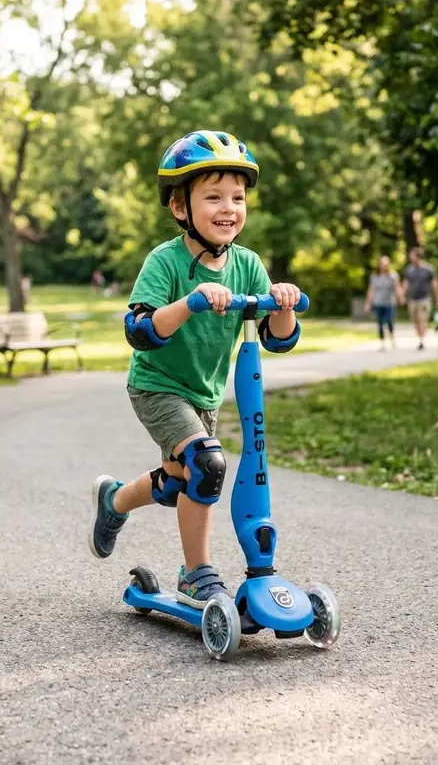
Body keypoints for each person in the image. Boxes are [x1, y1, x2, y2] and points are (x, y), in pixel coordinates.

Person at [88, 130, 303, 609]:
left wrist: (284, 304)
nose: (229, 208)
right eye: (213, 197)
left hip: (204, 394)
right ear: (180, 207)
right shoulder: (165, 262)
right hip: (157, 385)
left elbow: (278, 338)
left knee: (182, 479)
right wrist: (189, 302)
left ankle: (115, 501)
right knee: (207, 464)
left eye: (238, 197)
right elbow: (139, 330)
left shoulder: (247, 265)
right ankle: (196, 575)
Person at [402, 247, 438, 350]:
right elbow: (406, 283)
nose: (410, 258)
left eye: (412, 255)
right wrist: (402, 295)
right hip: (413, 299)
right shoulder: (409, 270)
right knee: (415, 320)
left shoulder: (429, 269)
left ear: (417, 256)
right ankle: (420, 337)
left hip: (425, 299)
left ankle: (422, 340)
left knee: (423, 319)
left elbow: (435, 284)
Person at [364, 255, 403, 351]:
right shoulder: (374, 277)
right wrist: (368, 302)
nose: (383, 266)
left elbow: (397, 288)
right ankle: (382, 343)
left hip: (389, 303)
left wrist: (401, 297)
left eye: (385, 264)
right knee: (380, 323)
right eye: (382, 263)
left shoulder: (393, 275)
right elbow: (371, 290)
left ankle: (392, 338)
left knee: (389, 322)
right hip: (378, 302)